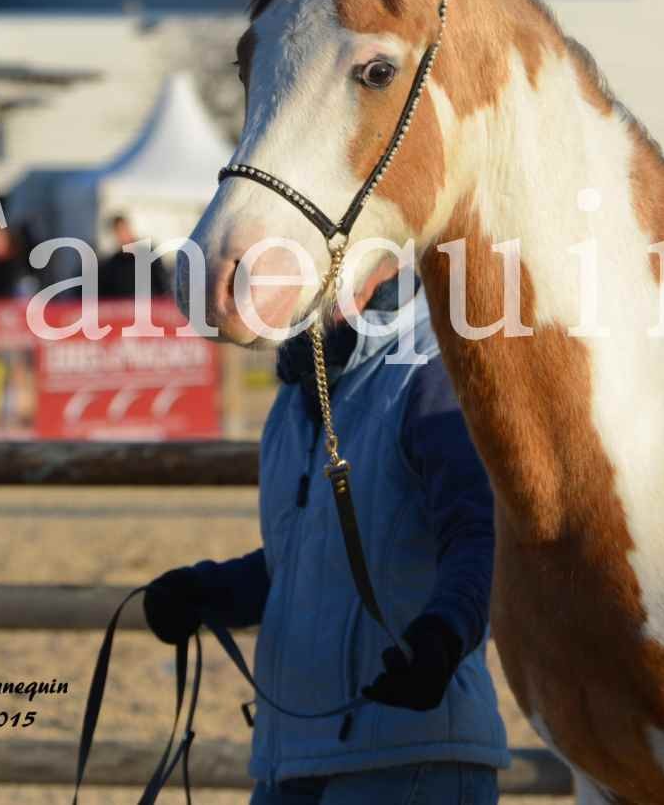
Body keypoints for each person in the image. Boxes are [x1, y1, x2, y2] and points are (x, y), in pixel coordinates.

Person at [141, 266, 508, 804]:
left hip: (411, 759)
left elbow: (481, 537)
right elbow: (306, 562)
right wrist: (207, 592)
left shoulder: (431, 373)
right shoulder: (298, 394)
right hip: (293, 758)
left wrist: (444, 635)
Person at [97, 213, 171, 299]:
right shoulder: (114, 264)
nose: (122, 235)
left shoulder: (148, 255)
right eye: (118, 232)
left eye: (124, 230)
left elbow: (163, 285)